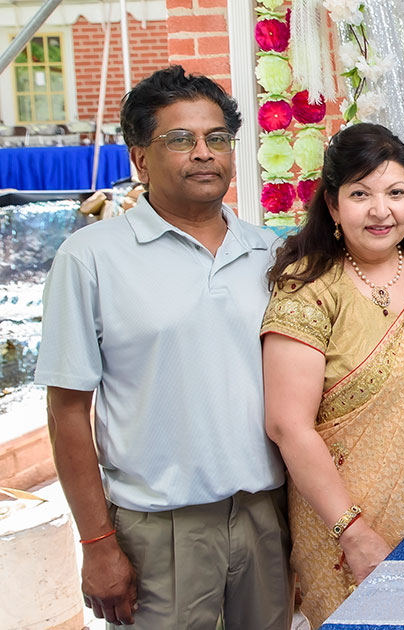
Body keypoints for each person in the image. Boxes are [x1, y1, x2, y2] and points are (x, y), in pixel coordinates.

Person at [35, 66, 290, 628]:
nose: (204, 153)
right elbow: (68, 411)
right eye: (181, 139)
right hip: (158, 532)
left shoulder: (268, 253)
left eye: (217, 138)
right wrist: (98, 542)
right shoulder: (92, 258)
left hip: (265, 518)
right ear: (140, 159)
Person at [261, 123, 404, 626]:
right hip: (339, 528)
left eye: (395, 193)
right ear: (332, 205)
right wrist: (352, 531)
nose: (380, 210)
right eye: (360, 194)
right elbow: (287, 426)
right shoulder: (309, 288)